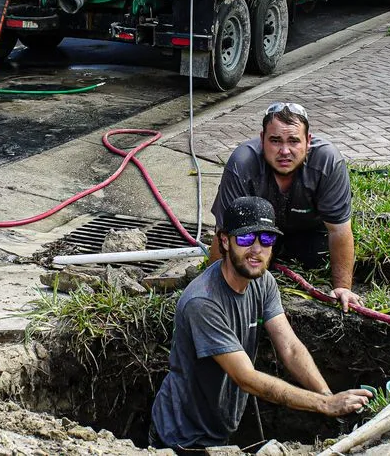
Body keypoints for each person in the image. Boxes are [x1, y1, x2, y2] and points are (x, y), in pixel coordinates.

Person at [150, 196, 372, 452]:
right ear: (225, 241)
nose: (257, 249)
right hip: (181, 438)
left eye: (266, 239)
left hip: (220, 427)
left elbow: (290, 347)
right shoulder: (202, 302)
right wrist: (324, 405)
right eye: (246, 238)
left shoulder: (263, 282)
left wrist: (326, 396)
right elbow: (245, 377)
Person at [210, 102, 362, 311]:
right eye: (275, 141)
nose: (284, 151)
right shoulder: (242, 163)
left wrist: (343, 287)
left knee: (316, 258)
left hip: (310, 232)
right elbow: (225, 233)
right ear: (262, 139)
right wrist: (214, 290)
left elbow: (339, 230)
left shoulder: (328, 161)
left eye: (294, 141)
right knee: (243, 263)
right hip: (260, 235)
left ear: (308, 141)